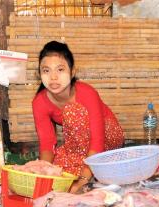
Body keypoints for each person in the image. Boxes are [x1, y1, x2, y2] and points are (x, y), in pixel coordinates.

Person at [32, 41, 124, 192]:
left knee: (73, 112)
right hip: (78, 148)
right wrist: (44, 175)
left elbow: (97, 141)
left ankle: (91, 170)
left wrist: (81, 181)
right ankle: (92, 169)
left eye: (60, 70)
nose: (53, 77)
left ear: (72, 71)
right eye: (46, 71)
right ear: (39, 74)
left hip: (108, 138)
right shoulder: (39, 102)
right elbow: (47, 145)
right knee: (57, 164)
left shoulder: (87, 93)